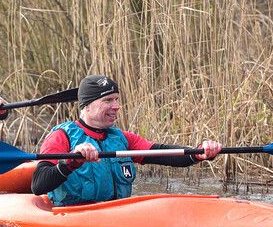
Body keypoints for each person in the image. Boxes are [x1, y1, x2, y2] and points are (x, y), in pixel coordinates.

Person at [31, 74, 222, 206]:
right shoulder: (61, 137)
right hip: (72, 216)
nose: (117, 106)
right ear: (86, 106)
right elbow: (38, 185)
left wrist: (199, 153)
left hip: (116, 213)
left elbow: (164, 154)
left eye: (116, 99)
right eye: (108, 101)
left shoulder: (121, 138)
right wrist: (70, 162)